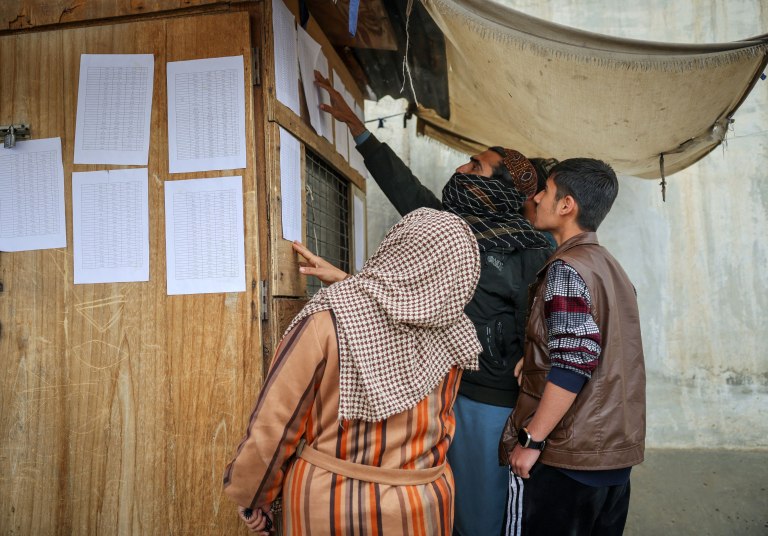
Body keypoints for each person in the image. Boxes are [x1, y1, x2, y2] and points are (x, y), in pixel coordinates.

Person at [314, 70, 556, 536]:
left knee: (487, 513)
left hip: (494, 405)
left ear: (503, 190)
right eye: (467, 162)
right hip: (447, 391)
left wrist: (532, 357)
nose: (462, 170)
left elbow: (549, 325)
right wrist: (359, 131)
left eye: (476, 168)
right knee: (451, 503)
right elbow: (407, 192)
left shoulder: (536, 252)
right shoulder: (451, 229)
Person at [223, 208, 483, 535]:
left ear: (397, 246)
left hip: (331, 508)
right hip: (421, 509)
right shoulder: (458, 334)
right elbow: (406, 314)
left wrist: (253, 495)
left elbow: (274, 424)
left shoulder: (328, 321)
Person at [499, 158, 646, 536]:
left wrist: (532, 440)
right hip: (613, 458)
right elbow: (599, 347)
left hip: (569, 458)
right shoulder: (611, 267)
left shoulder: (568, 268)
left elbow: (575, 361)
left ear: (567, 205)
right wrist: (534, 356)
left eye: (545, 191)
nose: (535, 198)